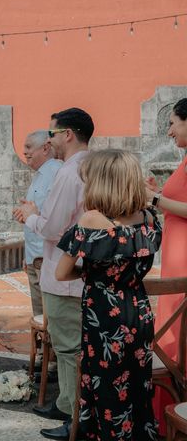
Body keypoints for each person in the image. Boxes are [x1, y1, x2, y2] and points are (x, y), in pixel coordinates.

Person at [56, 149, 160, 440]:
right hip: (138, 310)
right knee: (137, 385)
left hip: (103, 316)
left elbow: (62, 273)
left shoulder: (91, 220)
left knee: (105, 388)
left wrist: (91, 275)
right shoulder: (149, 218)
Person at [13, 107, 93, 440]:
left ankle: (75, 419)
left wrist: (31, 215)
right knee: (68, 347)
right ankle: (65, 405)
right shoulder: (93, 164)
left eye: (52, 134)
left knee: (69, 349)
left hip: (63, 274)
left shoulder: (68, 172)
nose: (49, 140)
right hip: (78, 270)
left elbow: (55, 227)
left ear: (68, 134)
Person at [146, 97, 187, 431]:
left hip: (185, 256)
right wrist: (158, 194)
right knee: (172, 323)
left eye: (173, 123)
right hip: (176, 252)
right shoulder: (184, 159)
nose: (169, 130)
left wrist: (155, 199)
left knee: (179, 325)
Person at [20, 130, 62, 317]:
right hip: (34, 255)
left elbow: (55, 217)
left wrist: (32, 214)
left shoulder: (56, 173)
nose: (25, 152)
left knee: (49, 315)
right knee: (40, 314)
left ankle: (49, 347)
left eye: (29, 147)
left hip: (46, 256)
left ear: (45, 147)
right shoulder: (40, 174)